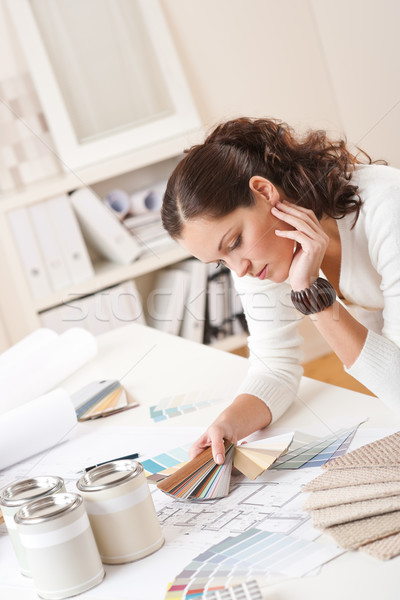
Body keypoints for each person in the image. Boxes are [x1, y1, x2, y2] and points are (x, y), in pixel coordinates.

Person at [161, 117, 400, 465]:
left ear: (264, 191)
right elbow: (274, 365)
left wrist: (313, 298)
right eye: (220, 261)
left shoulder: (388, 210)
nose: (238, 269)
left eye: (234, 242)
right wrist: (229, 424)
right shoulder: (259, 249)